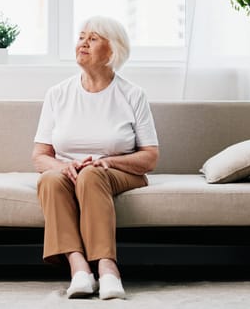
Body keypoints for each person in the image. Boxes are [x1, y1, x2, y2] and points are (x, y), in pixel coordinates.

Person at [32, 16, 159, 300]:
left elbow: (150, 157)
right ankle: (79, 268)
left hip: (119, 172)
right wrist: (65, 167)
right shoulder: (58, 94)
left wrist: (109, 161)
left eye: (93, 38)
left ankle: (107, 267)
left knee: (91, 174)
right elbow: (40, 156)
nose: (83, 43)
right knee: (50, 180)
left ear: (112, 51)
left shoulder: (133, 95)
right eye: (81, 37)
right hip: (69, 173)